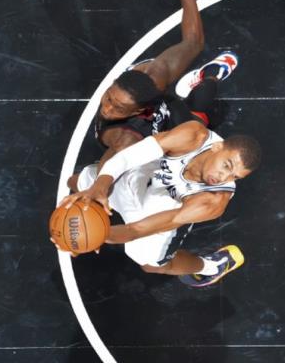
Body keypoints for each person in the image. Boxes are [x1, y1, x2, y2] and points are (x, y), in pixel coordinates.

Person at [61, 120, 261, 287]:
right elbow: (128, 157)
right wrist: (100, 186)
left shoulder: (212, 201)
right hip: (143, 178)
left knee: (150, 265)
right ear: (217, 147)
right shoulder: (193, 136)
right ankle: (101, 191)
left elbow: (136, 230)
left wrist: (93, 236)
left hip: (164, 210)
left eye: (235, 177)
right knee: (77, 182)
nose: (223, 177)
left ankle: (211, 266)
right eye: (226, 165)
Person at [95, 0, 238, 171]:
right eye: (108, 98)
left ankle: (208, 75)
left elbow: (193, 42)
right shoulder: (124, 134)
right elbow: (108, 167)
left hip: (166, 115)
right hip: (145, 132)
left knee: (203, 104)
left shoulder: (156, 78)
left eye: (118, 108)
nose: (107, 109)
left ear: (138, 110)